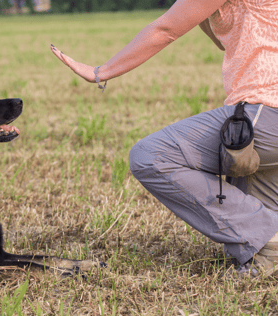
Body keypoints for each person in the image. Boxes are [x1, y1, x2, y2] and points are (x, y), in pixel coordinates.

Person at [51, 0, 278, 276]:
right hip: (268, 119)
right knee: (248, 173)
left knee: (150, 156)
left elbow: (166, 29)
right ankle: (265, 254)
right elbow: (219, 37)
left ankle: (267, 236)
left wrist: (101, 71)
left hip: (265, 111)